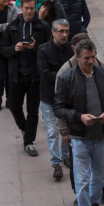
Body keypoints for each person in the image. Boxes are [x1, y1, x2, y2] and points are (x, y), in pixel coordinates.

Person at [54, 39, 104, 206]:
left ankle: (95, 205)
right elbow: (59, 108)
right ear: (78, 57)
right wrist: (79, 116)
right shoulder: (66, 78)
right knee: (82, 182)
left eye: (93, 57)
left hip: (101, 137)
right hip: (80, 138)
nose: (91, 62)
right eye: (86, 59)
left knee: (99, 178)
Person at [1, 0, 51, 157]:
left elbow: (47, 50)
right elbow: (3, 49)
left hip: (34, 77)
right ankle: (25, 129)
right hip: (16, 75)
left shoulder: (42, 27)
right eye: (26, 8)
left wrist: (35, 48)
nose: (29, 11)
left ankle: (28, 141)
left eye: (32, 8)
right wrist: (14, 49)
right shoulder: (13, 26)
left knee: (33, 110)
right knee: (14, 106)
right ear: (21, 8)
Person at [37, 19, 72, 180]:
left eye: (66, 31)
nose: (64, 34)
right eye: (60, 31)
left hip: (66, 99)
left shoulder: (71, 49)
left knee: (66, 131)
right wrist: (64, 77)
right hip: (49, 98)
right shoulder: (43, 50)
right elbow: (45, 74)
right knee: (52, 132)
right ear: (53, 32)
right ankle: (56, 163)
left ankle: (65, 156)